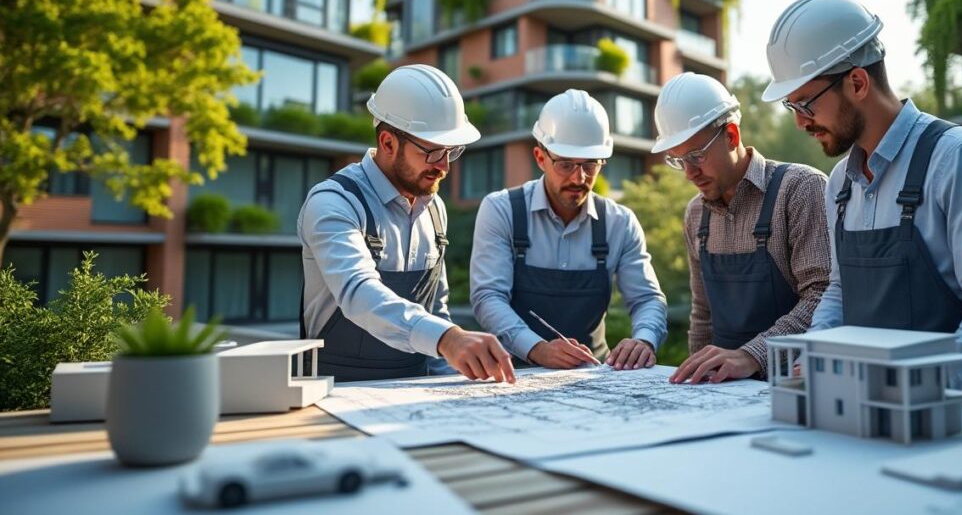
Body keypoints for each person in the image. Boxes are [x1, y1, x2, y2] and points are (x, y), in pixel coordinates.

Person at [762, 0, 962, 411]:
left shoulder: (961, 159)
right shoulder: (839, 184)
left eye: (806, 103)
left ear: (857, 82)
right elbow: (840, 290)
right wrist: (815, 355)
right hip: (867, 413)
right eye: (790, 105)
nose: (799, 121)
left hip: (958, 418)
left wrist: (930, 393)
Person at [298, 64, 515, 384]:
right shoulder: (333, 203)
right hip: (332, 393)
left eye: (452, 151)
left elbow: (436, 310)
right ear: (387, 143)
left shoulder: (434, 209)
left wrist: (458, 381)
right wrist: (449, 339)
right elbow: (358, 293)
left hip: (413, 395)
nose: (444, 166)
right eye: (432, 152)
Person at [652, 73, 832, 384]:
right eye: (679, 161)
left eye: (696, 156)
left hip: (794, 386)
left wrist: (752, 355)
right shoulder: (696, 214)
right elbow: (702, 313)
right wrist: (696, 381)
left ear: (732, 136)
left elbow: (823, 296)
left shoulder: (800, 190)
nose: (690, 173)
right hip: (724, 394)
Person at [470, 89, 668, 370]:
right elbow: (488, 297)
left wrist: (644, 341)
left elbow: (647, 299)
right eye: (565, 164)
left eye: (590, 165)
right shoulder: (501, 210)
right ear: (540, 157)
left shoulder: (620, 222)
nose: (579, 178)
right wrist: (537, 349)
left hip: (591, 376)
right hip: (513, 375)